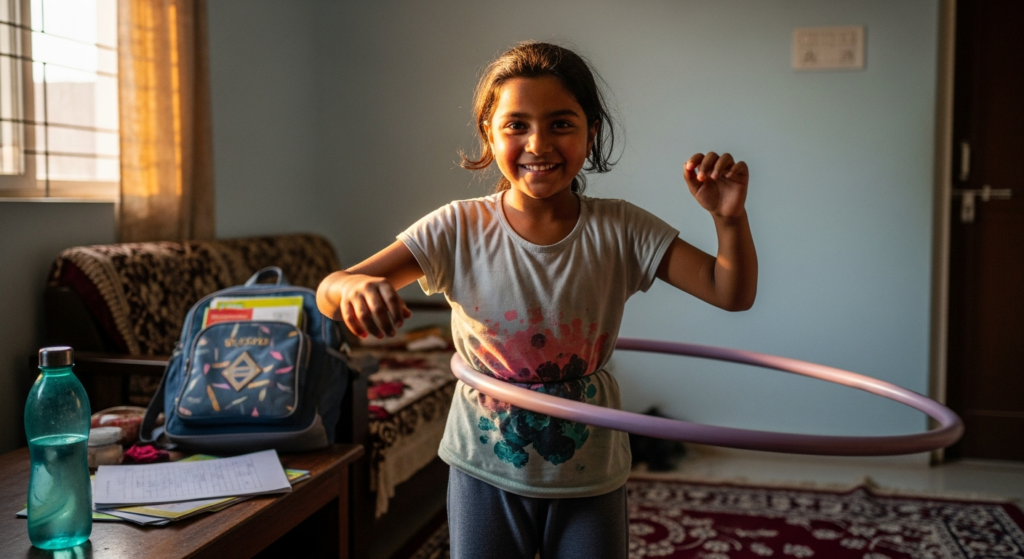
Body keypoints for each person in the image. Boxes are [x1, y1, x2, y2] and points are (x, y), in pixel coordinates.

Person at [317, 41, 757, 559]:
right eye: (517, 125)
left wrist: (729, 219)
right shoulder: (456, 227)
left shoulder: (622, 228)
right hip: (485, 463)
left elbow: (729, 292)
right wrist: (353, 287)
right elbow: (331, 289)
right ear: (489, 131)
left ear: (591, 132)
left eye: (561, 124)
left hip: (589, 465)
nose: (538, 143)